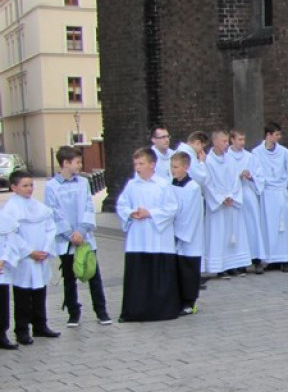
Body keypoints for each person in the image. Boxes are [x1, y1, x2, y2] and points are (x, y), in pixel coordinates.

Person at [45, 146, 113, 327]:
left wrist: (82, 231)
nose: (80, 165)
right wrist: (69, 234)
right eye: (77, 162)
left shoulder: (83, 183)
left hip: (85, 238)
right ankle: (73, 312)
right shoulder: (51, 187)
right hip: (66, 241)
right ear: (65, 163)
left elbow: (88, 207)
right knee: (69, 278)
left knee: (93, 274)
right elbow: (54, 212)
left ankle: (101, 311)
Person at [117, 148, 180, 321]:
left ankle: (162, 311)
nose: (137, 167)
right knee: (139, 277)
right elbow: (121, 206)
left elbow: (171, 208)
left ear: (152, 164)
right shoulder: (131, 185)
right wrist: (131, 213)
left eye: (141, 163)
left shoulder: (163, 184)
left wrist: (150, 213)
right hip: (138, 239)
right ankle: (135, 311)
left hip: (158, 237)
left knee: (159, 276)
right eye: (135, 164)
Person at [2, 172, 59, 344]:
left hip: (40, 256)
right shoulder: (10, 209)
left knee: (39, 291)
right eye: (25, 185)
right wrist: (28, 251)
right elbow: (11, 235)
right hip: (24, 259)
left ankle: (40, 325)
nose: (29, 189)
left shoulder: (39, 206)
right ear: (14, 187)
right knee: (23, 295)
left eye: (31, 185)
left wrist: (45, 249)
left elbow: (50, 228)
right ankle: (22, 330)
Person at [202, 130, 251, 277]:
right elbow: (207, 183)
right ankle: (219, 267)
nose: (226, 144)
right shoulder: (208, 161)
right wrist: (221, 199)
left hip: (231, 203)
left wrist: (232, 197)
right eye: (223, 141)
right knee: (219, 235)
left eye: (227, 141)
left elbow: (236, 180)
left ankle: (233, 265)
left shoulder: (230, 159)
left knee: (233, 235)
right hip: (218, 205)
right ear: (215, 142)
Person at [252, 122, 288, 272]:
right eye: (276, 134)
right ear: (268, 135)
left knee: (282, 227)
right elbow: (256, 172)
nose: (279, 137)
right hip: (267, 193)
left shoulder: (284, 152)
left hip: (280, 192)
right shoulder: (257, 152)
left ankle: (283, 259)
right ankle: (269, 258)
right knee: (268, 226)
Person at [169, 152, 204, 314]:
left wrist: (179, 232)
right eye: (171, 167)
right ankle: (178, 300)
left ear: (186, 167)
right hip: (175, 233)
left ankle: (190, 302)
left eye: (176, 167)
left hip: (189, 234)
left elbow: (191, 213)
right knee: (177, 269)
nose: (172, 170)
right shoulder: (171, 184)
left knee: (188, 269)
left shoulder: (193, 187)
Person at [227, 130, 266, 274]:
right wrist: (238, 176)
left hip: (248, 194)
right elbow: (225, 177)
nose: (242, 143)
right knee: (237, 229)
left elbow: (260, 176)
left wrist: (251, 177)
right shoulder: (226, 157)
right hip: (235, 195)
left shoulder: (250, 157)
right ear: (232, 140)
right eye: (239, 139)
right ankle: (239, 262)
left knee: (253, 226)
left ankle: (256, 259)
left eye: (244, 140)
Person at [0, 209, 27, 349]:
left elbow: (10, 241)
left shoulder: (4, 218)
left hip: (1, 266)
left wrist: (3, 259)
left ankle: (1, 334)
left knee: (2, 301)